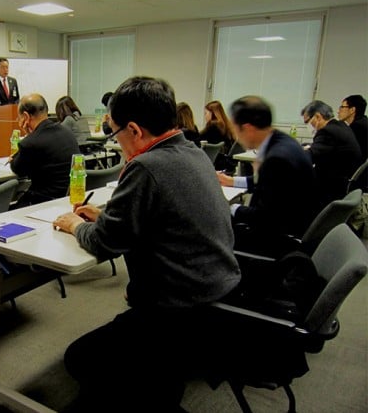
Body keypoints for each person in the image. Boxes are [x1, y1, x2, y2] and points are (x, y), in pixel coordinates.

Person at [53, 76, 241, 411]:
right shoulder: (194, 153)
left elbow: (104, 244)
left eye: (114, 131)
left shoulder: (145, 166)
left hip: (175, 310)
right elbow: (161, 212)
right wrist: (106, 214)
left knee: (79, 359)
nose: (115, 140)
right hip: (217, 297)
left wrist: (74, 225)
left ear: (135, 130)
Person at [217, 96, 317, 258]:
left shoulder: (276, 159)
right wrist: (232, 181)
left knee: (212, 232)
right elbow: (269, 184)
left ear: (248, 128)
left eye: (236, 129)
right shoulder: (282, 142)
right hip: (291, 227)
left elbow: (264, 218)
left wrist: (228, 207)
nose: (236, 135)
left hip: (277, 241)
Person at [9, 93, 80, 208]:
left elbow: (17, 168)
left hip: (41, 204)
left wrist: (28, 136)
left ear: (26, 117)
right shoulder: (67, 133)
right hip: (66, 201)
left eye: (19, 117)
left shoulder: (30, 142)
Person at [301, 100, 362, 208]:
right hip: (342, 183)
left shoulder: (327, 131)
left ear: (318, 117)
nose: (308, 126)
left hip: (329, 189)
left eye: (307, 122)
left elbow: (309, 157)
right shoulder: (341, 126)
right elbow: (326, 148)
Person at [199, 100, 235, 170]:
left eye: (206, 113)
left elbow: (200, 139)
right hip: (226, 163)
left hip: (216, 163)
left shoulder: (213, 125)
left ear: (212, 113)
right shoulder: (226, 125)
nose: (205, 116)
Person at [338, 94, 367, 162]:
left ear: (352, 110)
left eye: (342, 107)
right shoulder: (363, 122)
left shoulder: (357, 127)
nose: (338, 111)